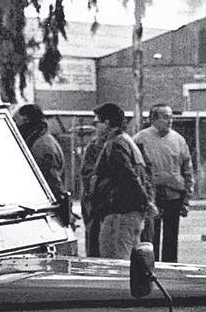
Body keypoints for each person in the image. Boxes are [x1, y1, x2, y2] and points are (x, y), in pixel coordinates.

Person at [80, 102, 156, 260]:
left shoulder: (115, 145)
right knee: (129, 264)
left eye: (97, 122)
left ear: (107, 123)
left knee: (115, 263)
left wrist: (145, 203)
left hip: (119, 214)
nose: (96, 127)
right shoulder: (127, 141)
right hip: (130, 214)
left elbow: (127, 177)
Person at [134, 103, 194, 262]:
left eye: (171, 117)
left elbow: (187, 169)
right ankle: (150, 268)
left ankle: (170, 269)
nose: (170, 121)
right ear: (154, 119)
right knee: (150, 238)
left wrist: (187, 198)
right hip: (152, 197)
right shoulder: (140, 139)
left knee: (171, 238)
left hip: (174, 196)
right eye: (166, 117)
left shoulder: (179, 140)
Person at [12, 103, 66, 200]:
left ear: (26, 120)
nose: (15, 125)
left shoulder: (42, 145)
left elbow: (52, 184)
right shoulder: (41, 139)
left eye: (16, 121)